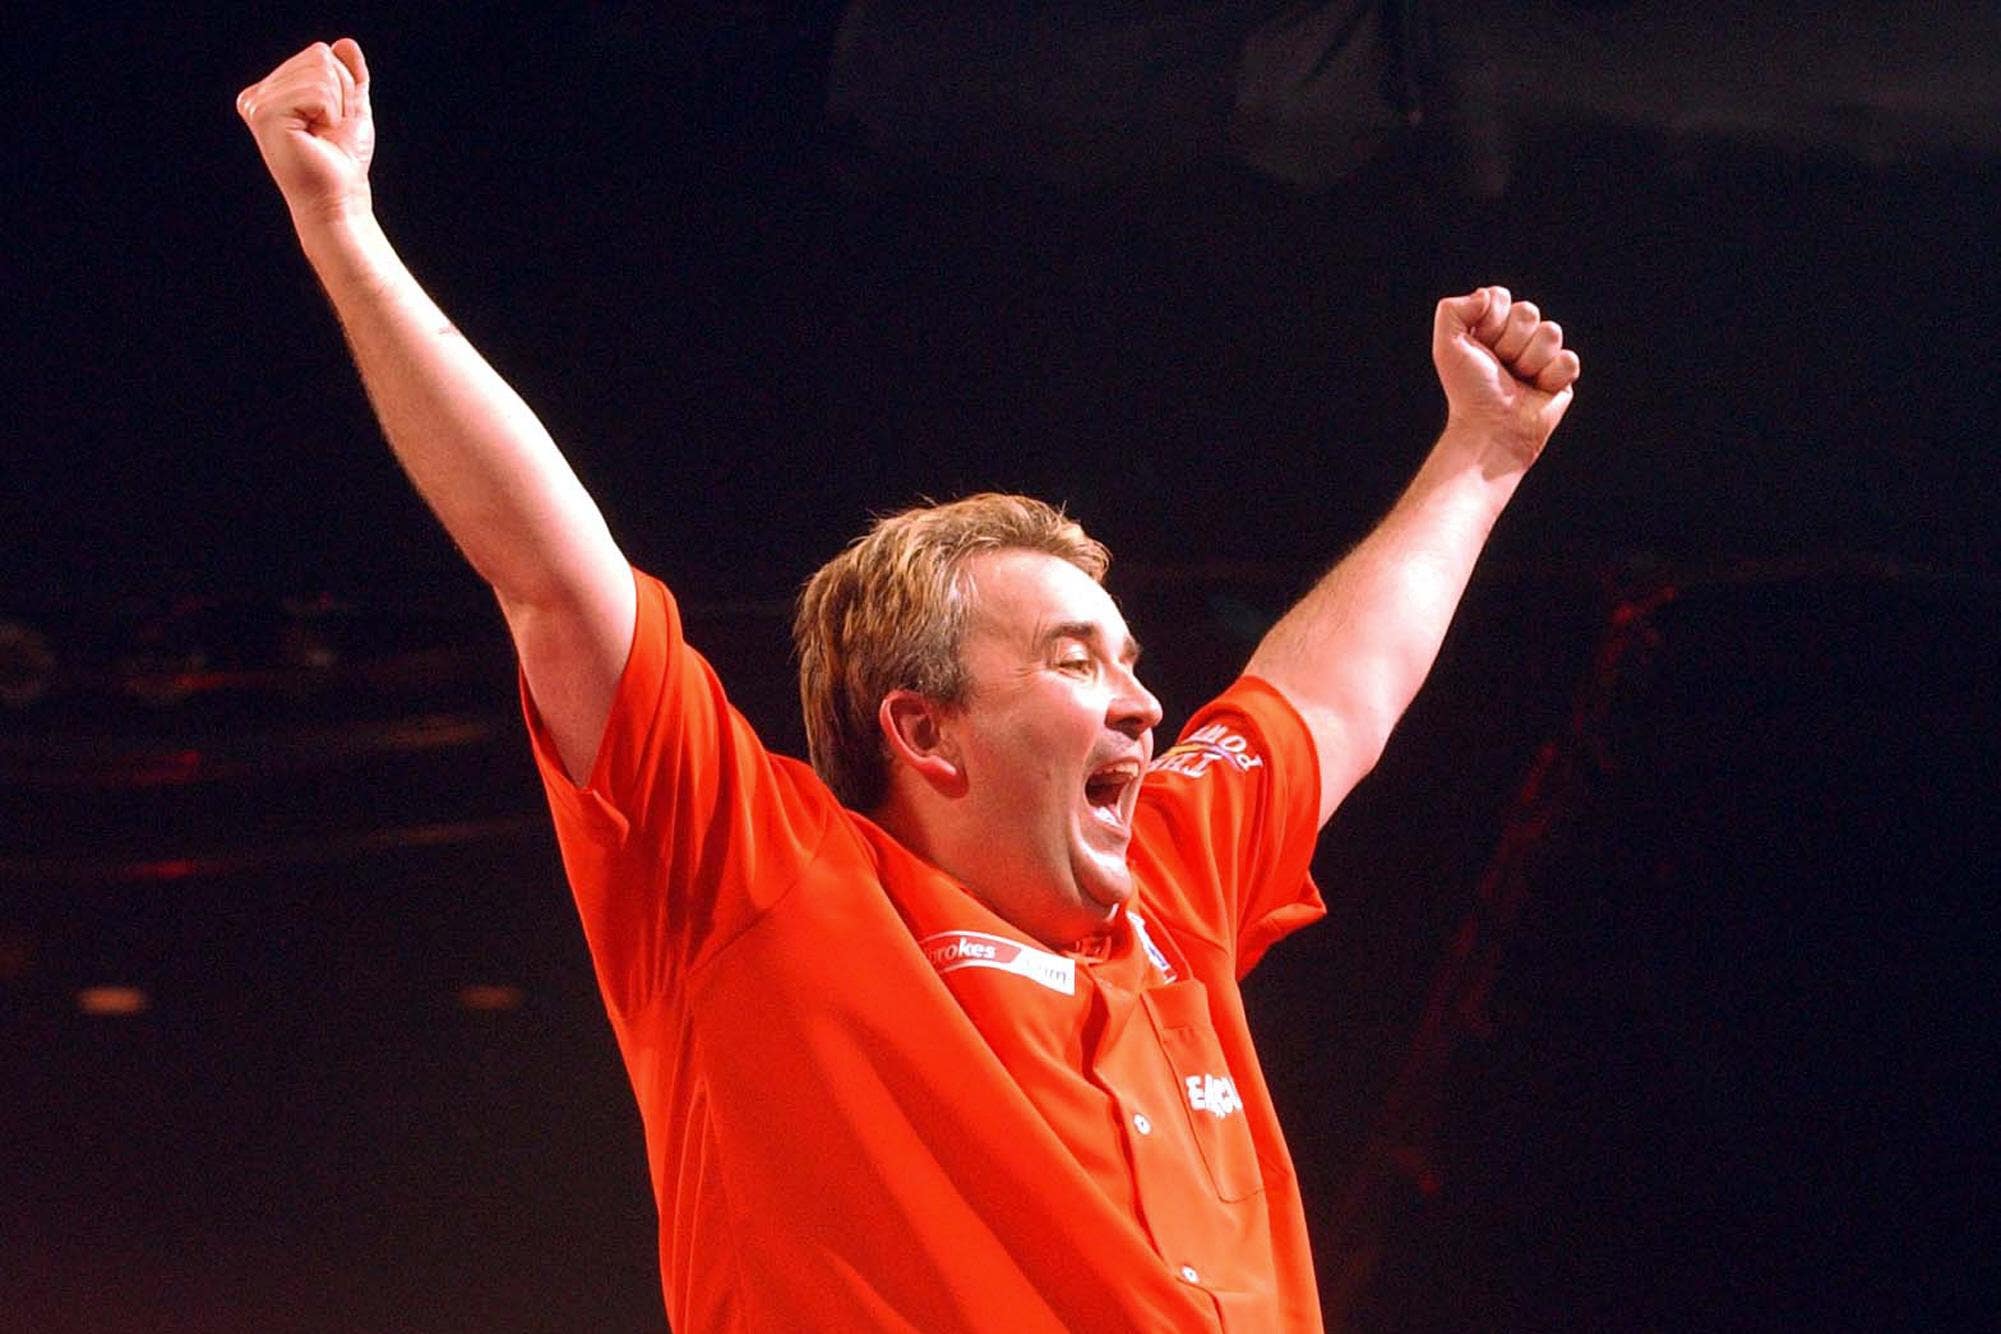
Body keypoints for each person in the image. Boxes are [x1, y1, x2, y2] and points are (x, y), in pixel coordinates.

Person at [237, 37, 1580, 1333]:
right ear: (921, 729)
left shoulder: (1170, 876)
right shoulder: (759, 883)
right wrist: (342, 226)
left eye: (1126, 657)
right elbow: (547, 574)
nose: (1142, 702)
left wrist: (1482, 453)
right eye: (1072, 657)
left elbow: (1331, 692)